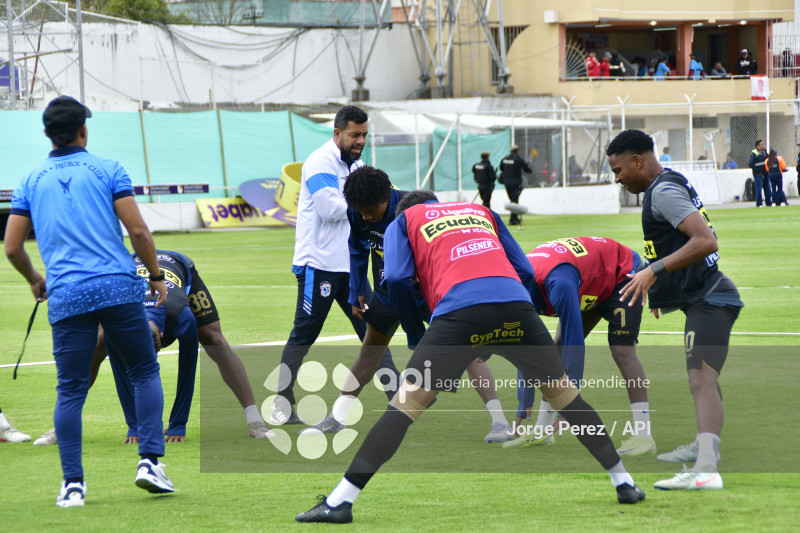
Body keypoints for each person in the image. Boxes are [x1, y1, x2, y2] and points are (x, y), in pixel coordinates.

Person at [295, 193, 645, 523]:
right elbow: (524, 269)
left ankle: (340, 501)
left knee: (402, 411)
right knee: (568, 398)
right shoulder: (481, 211)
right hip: (516, 306)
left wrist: (416, 334)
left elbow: (398, 278)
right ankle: (624, 482)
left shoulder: (403, 221)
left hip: (459, 313)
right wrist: (514, 317)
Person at [5, 95, 175, 507]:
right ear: (84, 130)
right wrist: (155, 276)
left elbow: (12, 247)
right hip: (117, 287)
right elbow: (138, 232)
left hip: (66, 294)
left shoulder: (29, 181)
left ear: (47, 133)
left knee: (70, 391)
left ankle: (73, 485)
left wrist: (35, 279)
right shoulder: (109, 168)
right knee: (143, 372)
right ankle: (150, 462)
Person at [307, 166, 513, 443]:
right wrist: (356, 290)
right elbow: (357, 248)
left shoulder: (417, 207)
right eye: (360, 211)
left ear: (385, 197)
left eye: (370, 210)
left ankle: (500, 422)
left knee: (470, 352)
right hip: (388, 293)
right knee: (369, 352)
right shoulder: (359, 211)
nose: (365, 216)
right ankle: (337, 418)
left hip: (428, 291)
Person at [607, 129, 743, 491]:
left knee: (701, 380)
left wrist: (653, 271)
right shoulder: (666, 184)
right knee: (705, 378)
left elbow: (705, 241)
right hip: (705, 297)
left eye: (618, 170)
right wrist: (663, 292)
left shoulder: (663, 192)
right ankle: (703, 447)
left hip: (712, 298)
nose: (617, 179)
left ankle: (707, 469)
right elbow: (675, 245)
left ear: (638, 161)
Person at [33, 249, 273, 446]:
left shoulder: (183, 319)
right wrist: (134, 425)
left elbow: (187, 369)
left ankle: (255, 421)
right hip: (130, 267)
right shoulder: (118, 320)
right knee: (97, 345)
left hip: (178, 265)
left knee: (213, 339)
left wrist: (178, 424)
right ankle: (62, 426)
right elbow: (119, 369)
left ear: (163, 337)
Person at [273, 105, 398, 425]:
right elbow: (329, 210)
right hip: (319, 266)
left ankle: (398, 397)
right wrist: (372, 203)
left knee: (375, 330)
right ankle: (282, 404)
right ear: (337, 133)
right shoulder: (319, 161)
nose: (360, 141)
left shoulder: (359, 166)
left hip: (351, 268)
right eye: (355, 135)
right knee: (304, 335)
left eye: (364, 135)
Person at [503, 237, 655, 457]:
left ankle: (644, 436)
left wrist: (569, 408)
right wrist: (524, 401)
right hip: (587, 279)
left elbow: (574, 343)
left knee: (622, 350)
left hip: (621, 275)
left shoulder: (558, 284)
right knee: (557, 346)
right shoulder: (515, 288)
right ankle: (543, 431)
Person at [498, 145, 532, 225]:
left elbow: (501, 168)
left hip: (507, 182)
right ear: (517, 151)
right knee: (514, 200)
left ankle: (514, 218)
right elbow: (527, 169)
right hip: (516, 182)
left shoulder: (505, 159)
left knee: (512, 200)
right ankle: (513, 220)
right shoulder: (518, 159)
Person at [748, 140, 771, 207]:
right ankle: (759, 204)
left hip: (765, 174)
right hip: (758, 174)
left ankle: (769, 203)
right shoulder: (754, 153)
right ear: (758, 146)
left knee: (767, 189)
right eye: (761, 144)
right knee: (758, 189)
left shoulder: (765, 153)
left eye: (763, 144)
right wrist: (758, 170)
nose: (763, 145)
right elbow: (751, 164)